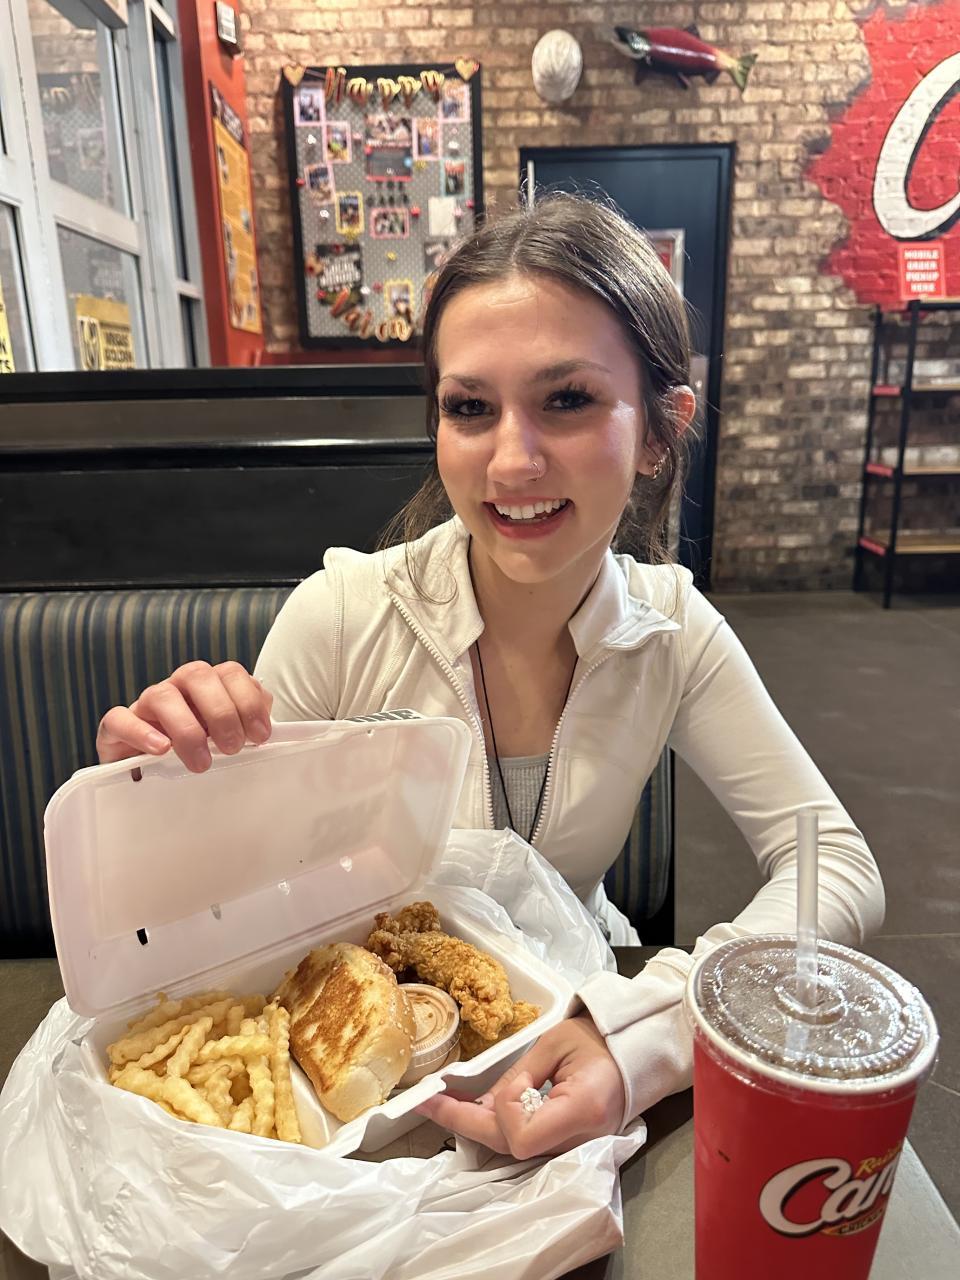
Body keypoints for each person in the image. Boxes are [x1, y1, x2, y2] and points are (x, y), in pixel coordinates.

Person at [96, 193, 884, 1161]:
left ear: (660, 431)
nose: (511, 460)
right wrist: (155, 799)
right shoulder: (341, 614)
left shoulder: (674, 631)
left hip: (578, 1029)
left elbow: (835, 861)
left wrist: (648, 1031)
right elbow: (227, 895)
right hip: (354, 1085)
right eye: (470, 407)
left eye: (568, 399)